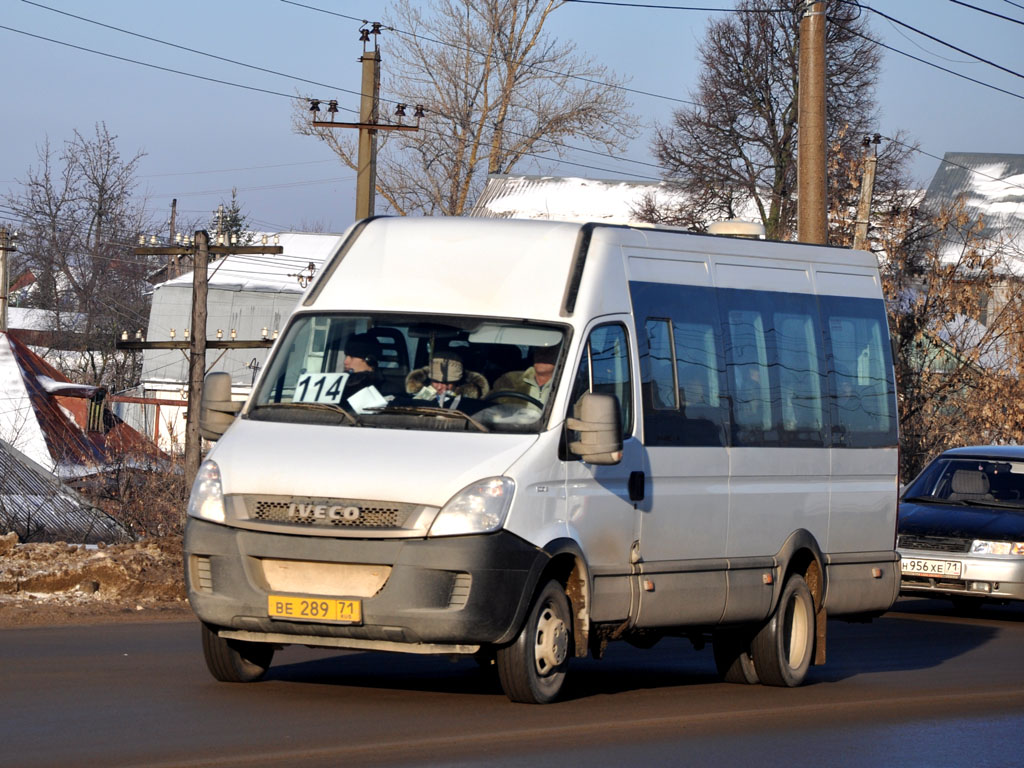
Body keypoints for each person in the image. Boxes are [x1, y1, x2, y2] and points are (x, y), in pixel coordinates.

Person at [405, 350, 489, 408]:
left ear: (457, 383)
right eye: (436, 381)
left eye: (447, 383)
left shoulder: (470, 405)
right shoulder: (412, 401)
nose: (440, 387)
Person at [492, 345, 558, 406]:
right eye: (538, 351)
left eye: (549, 352)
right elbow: (488, 405)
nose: (541, 356)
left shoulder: (565, 387)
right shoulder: (509, 380)